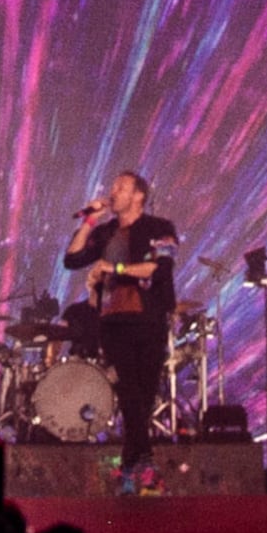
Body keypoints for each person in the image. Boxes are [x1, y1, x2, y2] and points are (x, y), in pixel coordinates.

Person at [61, 172, 180, 472]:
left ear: (138, 196)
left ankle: (131, 465)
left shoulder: (160, 227)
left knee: (143, 394)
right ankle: (146, 465)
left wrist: (112, 268)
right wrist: (89, 221)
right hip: (113, 322)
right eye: (112, 186)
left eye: (121, 187)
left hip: (149, 318)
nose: (113, 192)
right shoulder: (106, 232)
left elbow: (159, 268)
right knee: (127, 389)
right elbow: (72, 259)